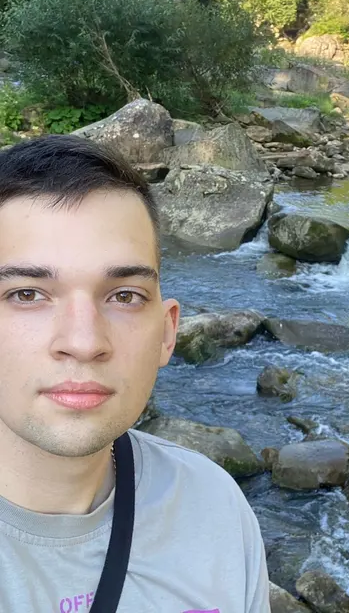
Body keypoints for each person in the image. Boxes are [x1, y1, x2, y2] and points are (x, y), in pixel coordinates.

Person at [0, 135, 270, 613]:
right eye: (27, 294)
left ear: (167, 333)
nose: (84, 342)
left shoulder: (215, 507)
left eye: (124, 296)